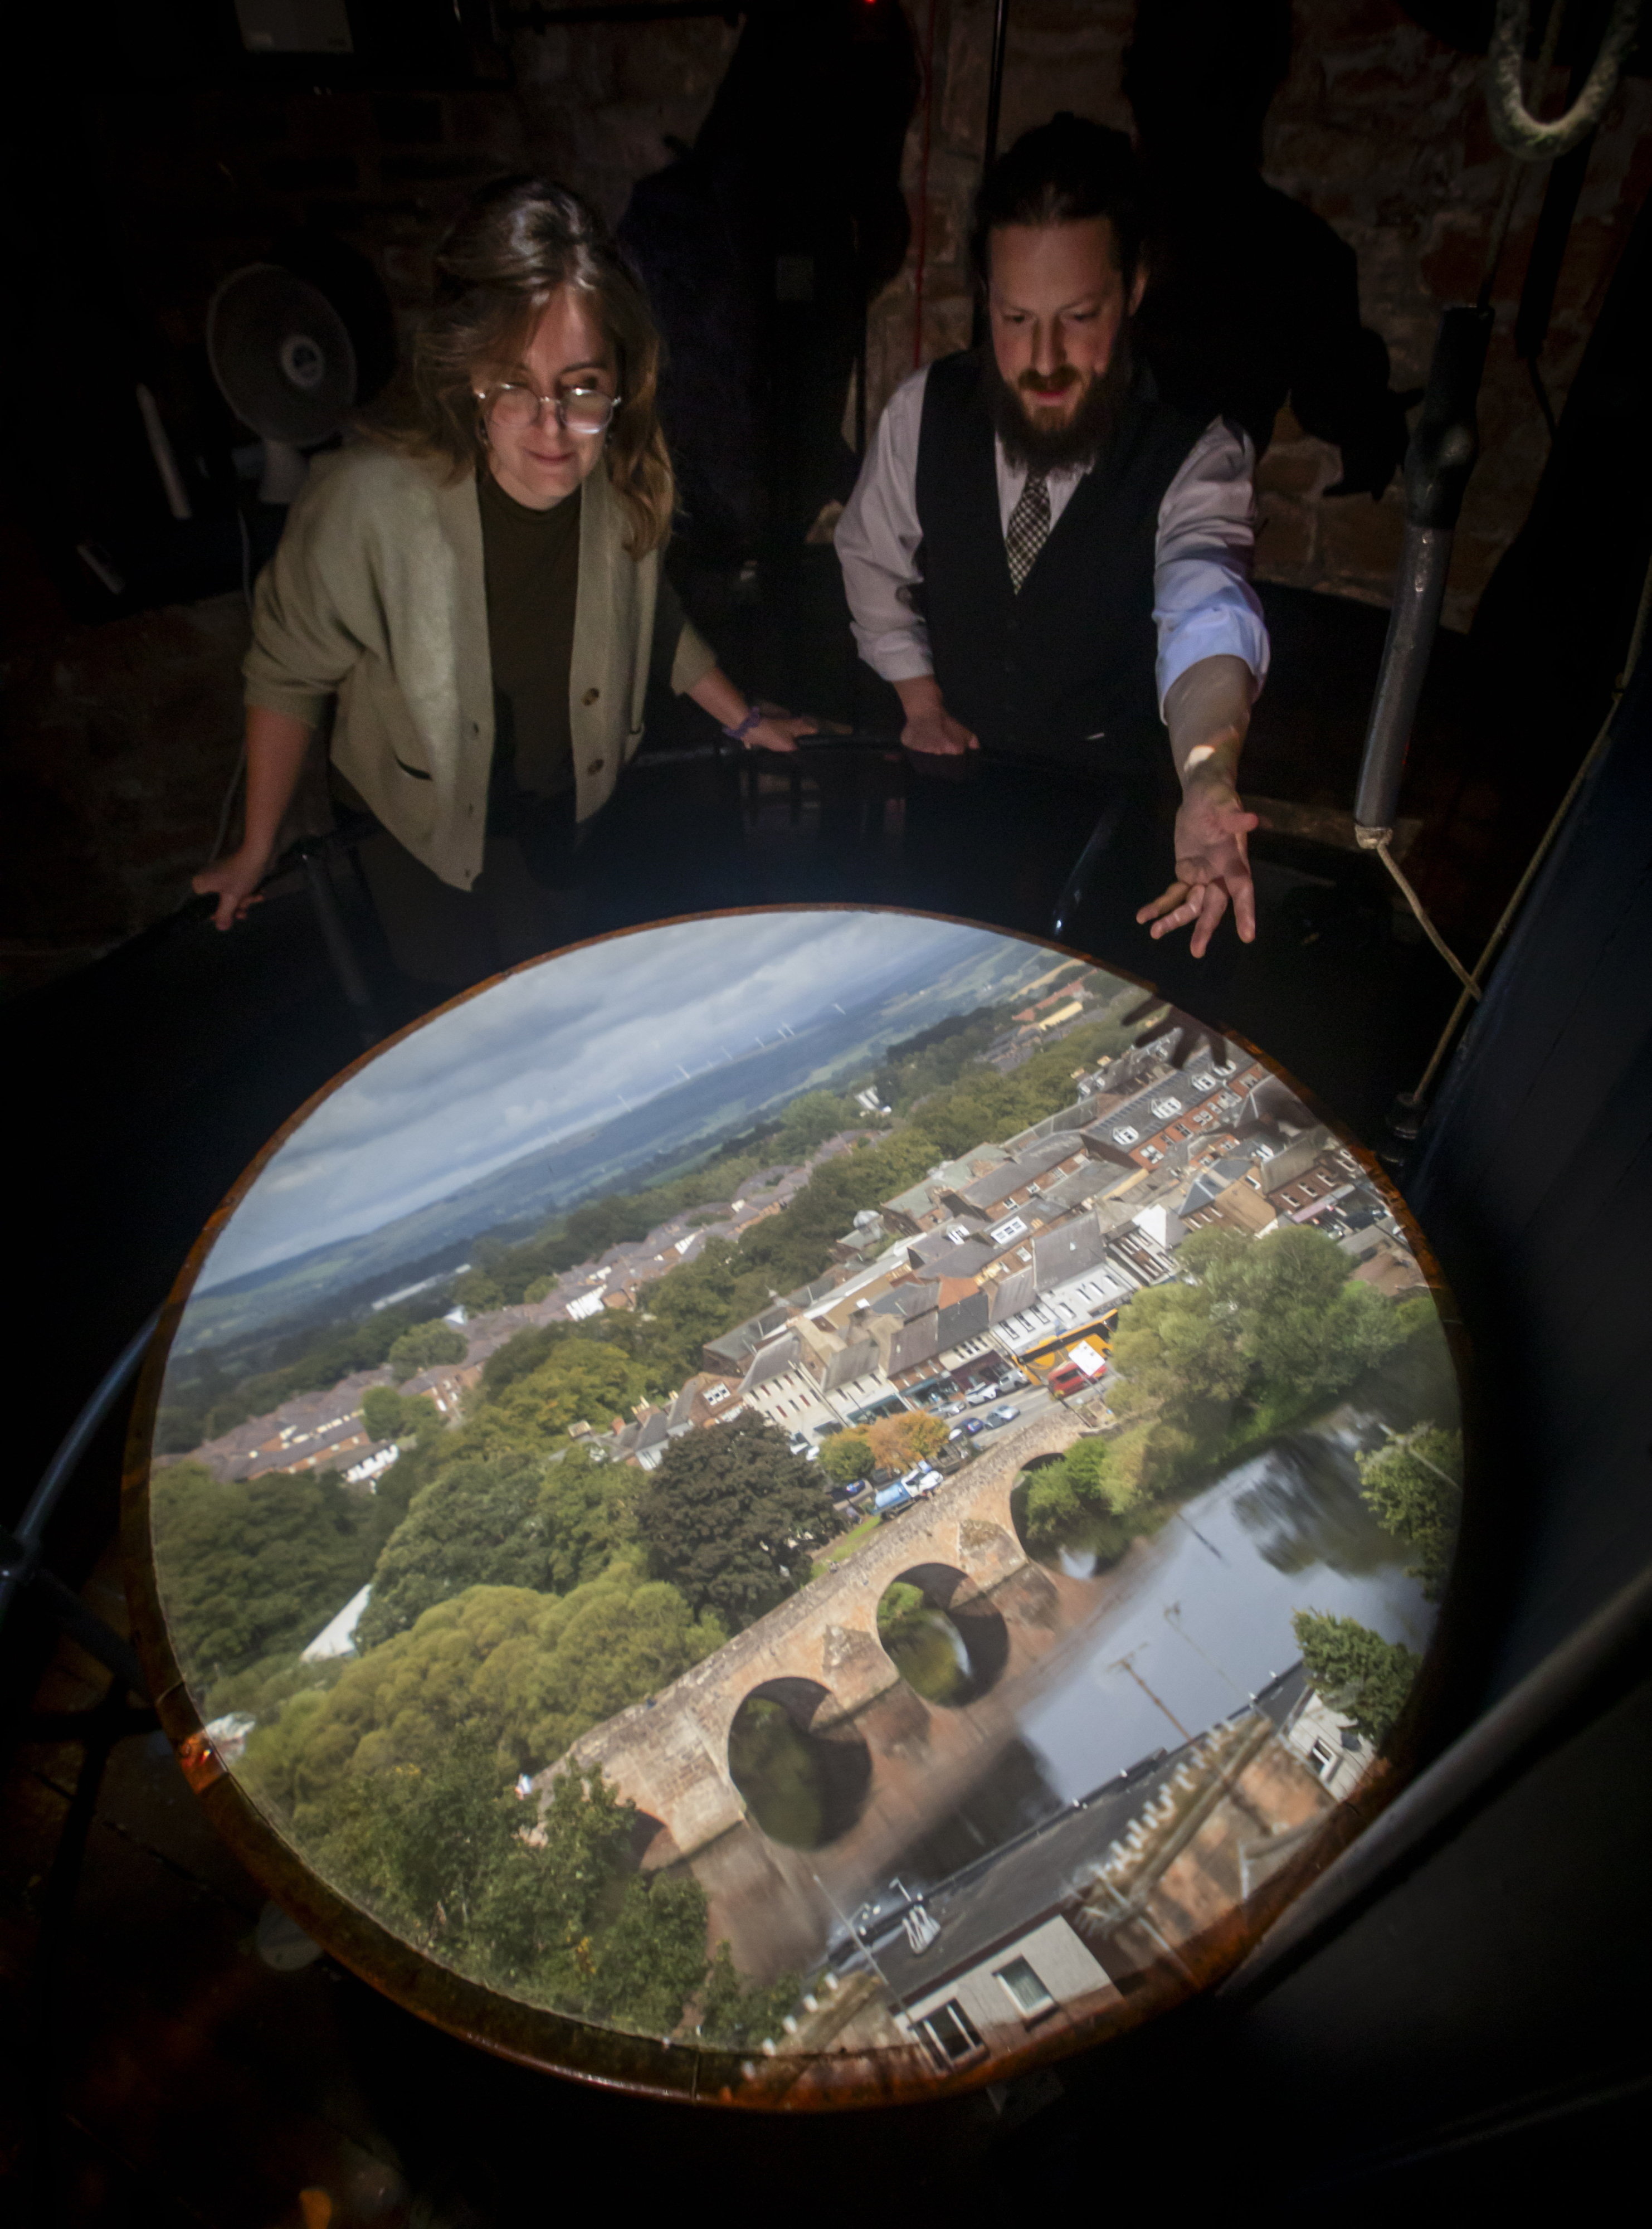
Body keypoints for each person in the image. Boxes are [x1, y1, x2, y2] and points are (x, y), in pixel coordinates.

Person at [196, 176, 812, 985]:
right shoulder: (365, 502)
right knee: (454, 1017)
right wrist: (256, 845)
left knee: (553, 992)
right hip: (409, 832)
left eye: (582, 388)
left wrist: (742, 720)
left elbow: (650, 622)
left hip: (560, 812)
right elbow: (288, 671)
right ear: (468, 374)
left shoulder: (622, 486)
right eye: (517, 386)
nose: (553, 426)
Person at [835, 115, 1269, 961]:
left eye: (1076, 317)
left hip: (1103, 821)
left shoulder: (1192, 450)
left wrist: (1208, 773)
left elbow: (1206, 607)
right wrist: (918, 698)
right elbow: (868, 556)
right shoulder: (926, 408)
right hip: (951, 800)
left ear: (1132, 287)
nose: (1040, 360)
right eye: (1012, 317)